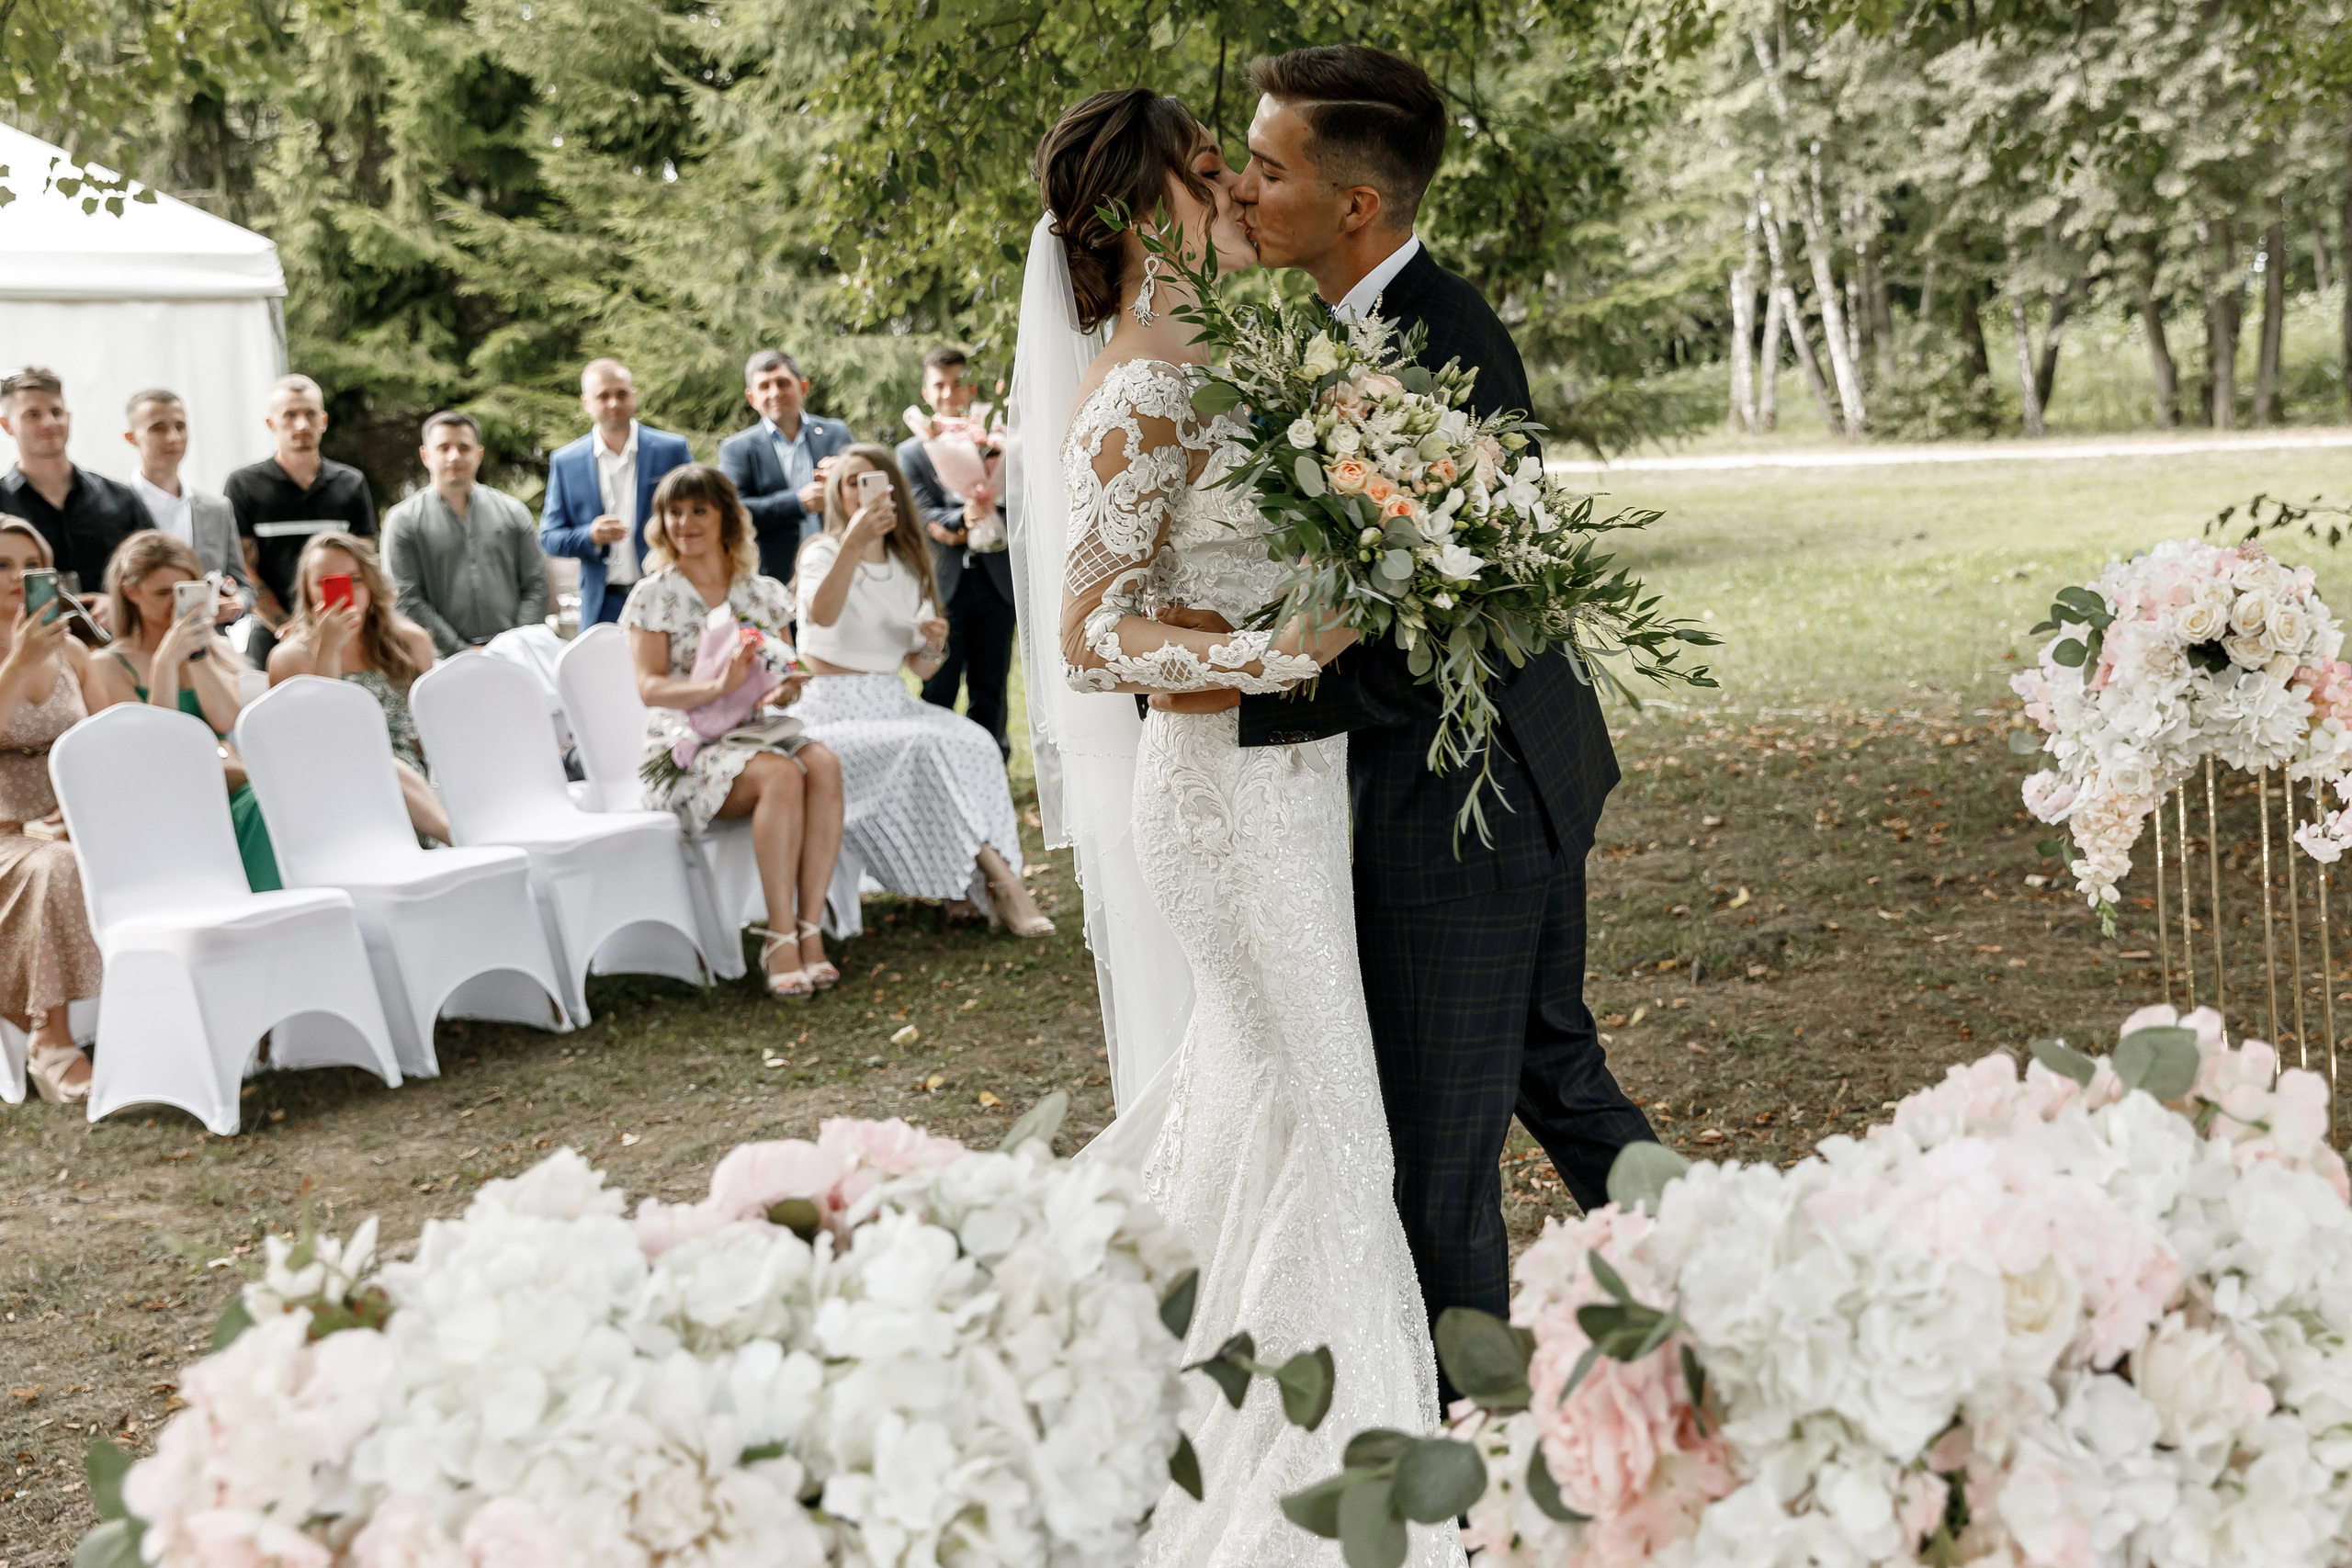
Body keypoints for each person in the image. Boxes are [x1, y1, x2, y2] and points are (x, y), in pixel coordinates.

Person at [1011, 87, 1455, 1568]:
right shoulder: (1138, 384)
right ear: (1151, 214)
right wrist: (1278, 654)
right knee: (1331, 1116)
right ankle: (1341, 1472)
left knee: (1273, 1100)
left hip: (1299, 789)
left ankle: (1164, 1380)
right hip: (1217, 798)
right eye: (1214, 175)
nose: (1241, 194)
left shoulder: (1238, 358)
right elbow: (1084, 638)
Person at [1218, 45, 1651, 1386]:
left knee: (1435, 1165)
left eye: (1270, 165)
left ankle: (1466, 1463)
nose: (1242, 186)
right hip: (1508, 774)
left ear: (1358, 204)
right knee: (1560, 1078)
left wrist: (1235, 691)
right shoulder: (1364, 335)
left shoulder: (1430, 348)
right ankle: (1740, 1284)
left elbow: (1419, 620)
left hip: (1457, 803)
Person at [792, 446, 1051, 937]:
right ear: (836, 493)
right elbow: (819, 615)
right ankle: (1004, 884)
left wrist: (934, 645)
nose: (859, 492)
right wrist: (852, 542)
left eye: (871, 481)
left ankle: (961, 887)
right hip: (829, 710)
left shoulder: (910, 563)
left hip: (889, 701)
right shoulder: (822, 552)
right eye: (850, 482)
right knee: (926, 747)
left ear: (891, 491)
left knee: (974, 742)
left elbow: (924, 670)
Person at [622, 464, 844, 999]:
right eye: (674, 512)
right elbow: (650, 689)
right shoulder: (654, 596)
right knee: (781, 776)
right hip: (685, 746)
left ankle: (810, 928)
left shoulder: (762, 593)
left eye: (699, 510)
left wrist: (785, 688)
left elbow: (787, 671)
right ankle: (779, 936)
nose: (685, 522)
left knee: (823, 763)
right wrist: (719, 685)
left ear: (725, 517)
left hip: (754, 731)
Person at [89, 531, 280, 892]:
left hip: (225, 785)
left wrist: (197, 655)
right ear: (130, 592)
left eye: (185, 591)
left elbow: (226, 721)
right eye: (163, 593)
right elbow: (153, 747)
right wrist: (164, 664)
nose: (174, 605)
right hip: (160, 796)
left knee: (271, 796)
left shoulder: (216, 650)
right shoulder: (108, 665)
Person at [0, 521, 107, 1103]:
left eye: (30, 563)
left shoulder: (72, 651)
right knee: (53, 866)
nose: (18, 577)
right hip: (6, 832)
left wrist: (82, 812)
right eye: (1, 565)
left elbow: (103, 746)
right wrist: (16, 665)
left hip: (70, 819)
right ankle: (52, 1040)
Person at [266, 533, 450, 845]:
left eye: (355, 579)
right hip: (333, 779)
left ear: (370, 583)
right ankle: (456, 837)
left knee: (393, 766)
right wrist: (329, 650)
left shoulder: (410, 641)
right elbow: (325, 732)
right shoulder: (289, 658)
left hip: (413, 778)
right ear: (309, 593)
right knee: (375, 760)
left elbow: (429, 729)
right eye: (328, 583)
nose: (347, 592)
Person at [899, 346, 1017, 761]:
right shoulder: (910, 453)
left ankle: (990, 771)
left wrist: (970, 523)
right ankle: (933, 770)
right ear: (926, 393)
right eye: (939, 386)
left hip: (996, 584)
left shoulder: (996, 443)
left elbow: (1014, 503)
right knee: (939, 687)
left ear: (970, 389)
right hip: (942, 588)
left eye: (956, 384)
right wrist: (963, 520)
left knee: (991, 688)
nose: (949, 393)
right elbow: (920, 514)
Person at [225, 375, 376, 650]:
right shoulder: (244, 485)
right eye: (290, 415)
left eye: (310, 413)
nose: (302, 424)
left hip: (342, 627)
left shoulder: (350, 483)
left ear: (324, 420)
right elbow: (245, 569)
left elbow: (364, 565)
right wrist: (286, 625)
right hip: (274, 632)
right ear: (271, 423)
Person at [382, 412, 549, 655]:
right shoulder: (403, 521)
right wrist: (460, 651)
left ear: (478, 454)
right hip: (440, 659)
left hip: (516, 655)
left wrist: (515, 644)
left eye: (463, 447)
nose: (454, 456)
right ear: (425, 455)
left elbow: (536, 585)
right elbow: (406, 598)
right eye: (443, 447)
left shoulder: (514, 512)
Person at [0, 368, 147, 604]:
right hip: (21, 639)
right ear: (6, 425)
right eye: (32, 415)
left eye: (56, 412)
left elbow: (154, 573)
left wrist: (117, 606)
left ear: (68, 416)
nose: (49, 422)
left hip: (117, 636)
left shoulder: (120, 498)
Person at [717, 349, 854, 589]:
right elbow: (732, 511)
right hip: (774, 578)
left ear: (803, 387)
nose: (775, 393)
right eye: (765, 386)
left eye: (782, 383)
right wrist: (797, 503)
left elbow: (865, 492)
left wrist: (846, 478)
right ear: (752, 398)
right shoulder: (736, 449)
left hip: (840, 565)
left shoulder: (835, 434)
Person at [120, 389, 255, 608]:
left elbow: (244, 586)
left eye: (180, 427)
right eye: (158, 428)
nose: (173, 437)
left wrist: (236, 603)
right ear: (131, 437)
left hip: (210, 637)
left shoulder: (217, 509)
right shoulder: (116, 507)